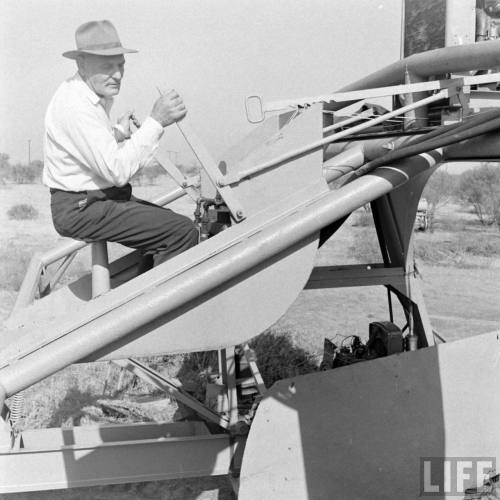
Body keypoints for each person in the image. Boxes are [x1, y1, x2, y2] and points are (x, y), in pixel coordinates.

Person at [43, 20, 199, 273]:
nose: (117, 74)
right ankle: (155, 308)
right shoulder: (76, 106)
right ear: (81, 64)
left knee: (171, 226)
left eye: (120, 65)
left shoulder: (84, 96)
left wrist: (117, 134)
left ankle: (143, 297)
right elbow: (116, 172)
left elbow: (88, 151)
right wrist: (156, 121)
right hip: (82, 208)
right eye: (107, 67)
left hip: (96, 200)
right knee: (180, 233)